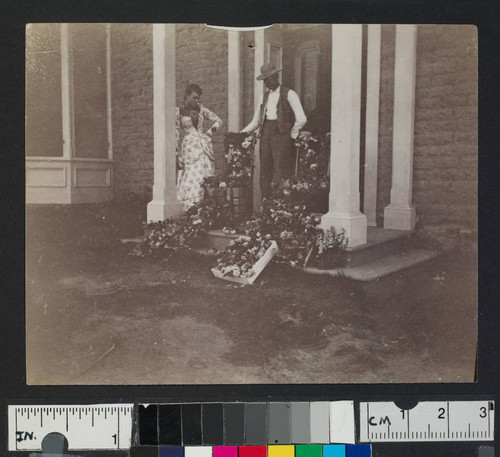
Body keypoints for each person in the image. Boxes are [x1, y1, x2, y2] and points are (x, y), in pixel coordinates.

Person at [241, 63, 307, 199]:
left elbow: (301, 118)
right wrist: (240, 134)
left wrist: (292, 134)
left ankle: (282, 207)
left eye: (268, 79)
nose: (266, 83)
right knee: (265, 170)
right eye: (264, 80)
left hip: (282, 136)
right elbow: (256, 121)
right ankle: (267, 206)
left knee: (281, 170)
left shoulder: (289, 93)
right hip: (265, 135)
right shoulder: (264, 97)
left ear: (275, 76)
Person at [176, 84, 223, 209]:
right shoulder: (179, 112)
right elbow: (175, 133)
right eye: (194, 97)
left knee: (208, 177)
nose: (197, 101)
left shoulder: (202, 109)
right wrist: (176, 154)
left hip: (205, 148)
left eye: (198, 98)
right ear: (186, 96)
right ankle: (192, 210)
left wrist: (209, 133)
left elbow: (218, 120)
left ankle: (210, 210)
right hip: (190, 148)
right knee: (193, 178)